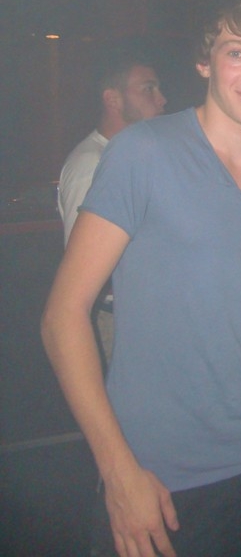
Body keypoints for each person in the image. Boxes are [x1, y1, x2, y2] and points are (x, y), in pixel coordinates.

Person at [41, 0, 241, 557]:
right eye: (237, 52)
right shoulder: (143, 152)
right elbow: (63, 316)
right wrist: (118, 471)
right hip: (162, 475)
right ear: (205, 61)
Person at [57, 39, 167, 368]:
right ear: (113, 99)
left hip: (147, 318)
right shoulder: (91, 163)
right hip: (118, 321)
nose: (162, 99)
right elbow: (81, 269)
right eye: (148, 89)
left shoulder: (136, 157)